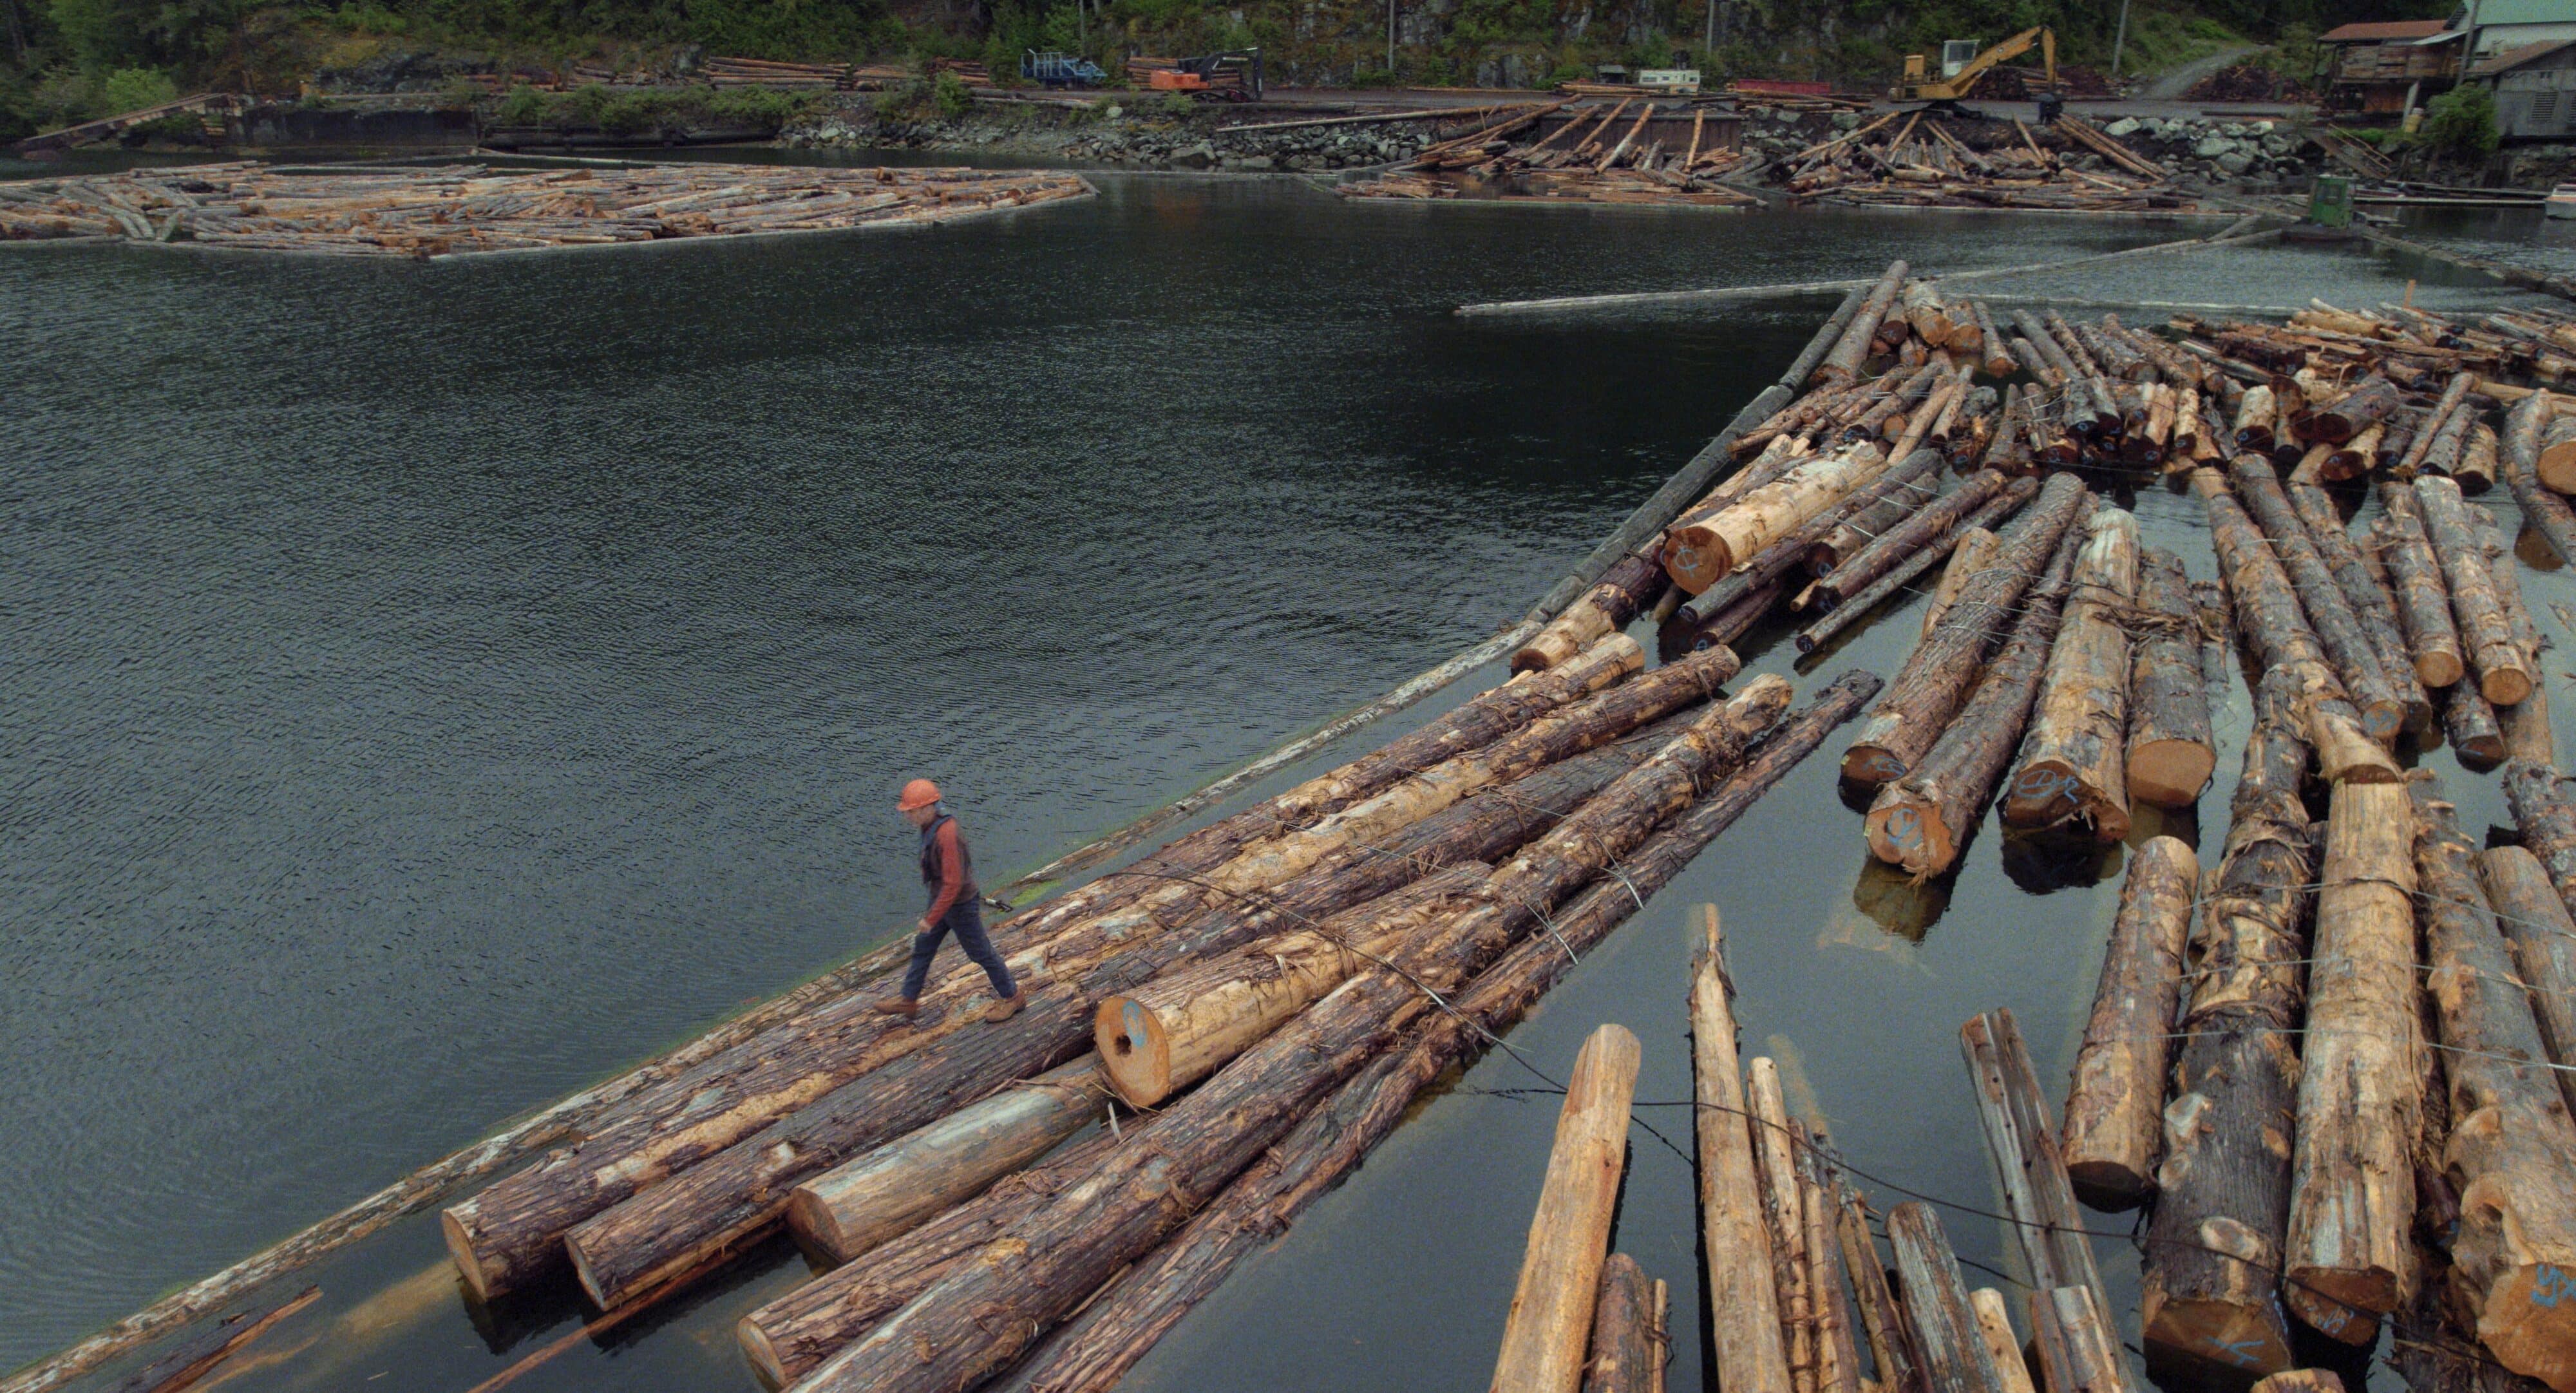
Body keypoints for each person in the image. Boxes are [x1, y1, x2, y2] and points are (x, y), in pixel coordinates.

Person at [876, 778, 1025, 1023]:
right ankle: (908, 1000)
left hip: (959, 904)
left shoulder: (947, 834)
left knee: (981, 953)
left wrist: (932, 918)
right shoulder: (930, 826)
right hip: (941, 899)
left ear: (927, 808)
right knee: (923, 948)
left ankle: (1013, 996)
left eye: (911, 812)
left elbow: (954, 884)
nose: (908, 817)